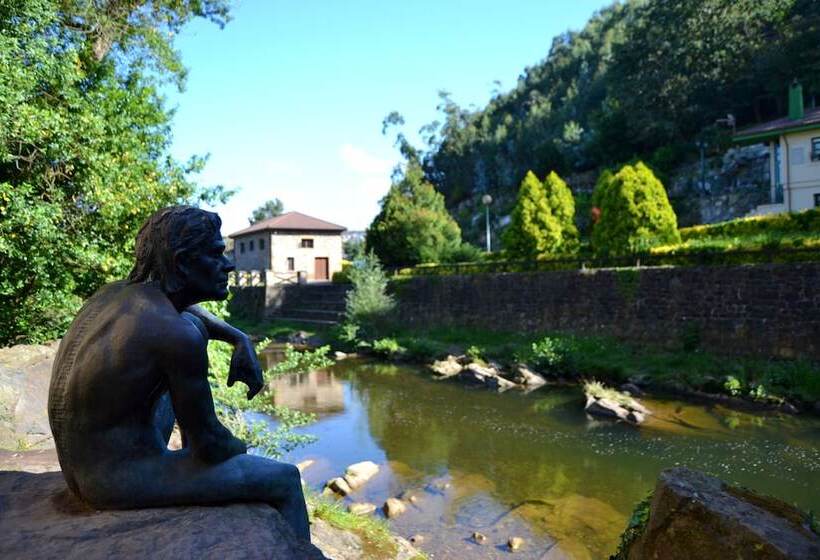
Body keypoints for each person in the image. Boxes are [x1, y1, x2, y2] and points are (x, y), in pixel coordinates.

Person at [48, 206, 310, 540]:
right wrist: (236, 446)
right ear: (184, 263)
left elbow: (185, 310)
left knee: (194, 327)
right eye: (216, 254)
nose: (228, 264)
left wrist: (237, 336)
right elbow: (213, 446)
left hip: (80, 465)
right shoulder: (174, 334)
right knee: (285, 479)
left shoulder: (112, 295)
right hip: (114, 480)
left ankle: (191, 467)